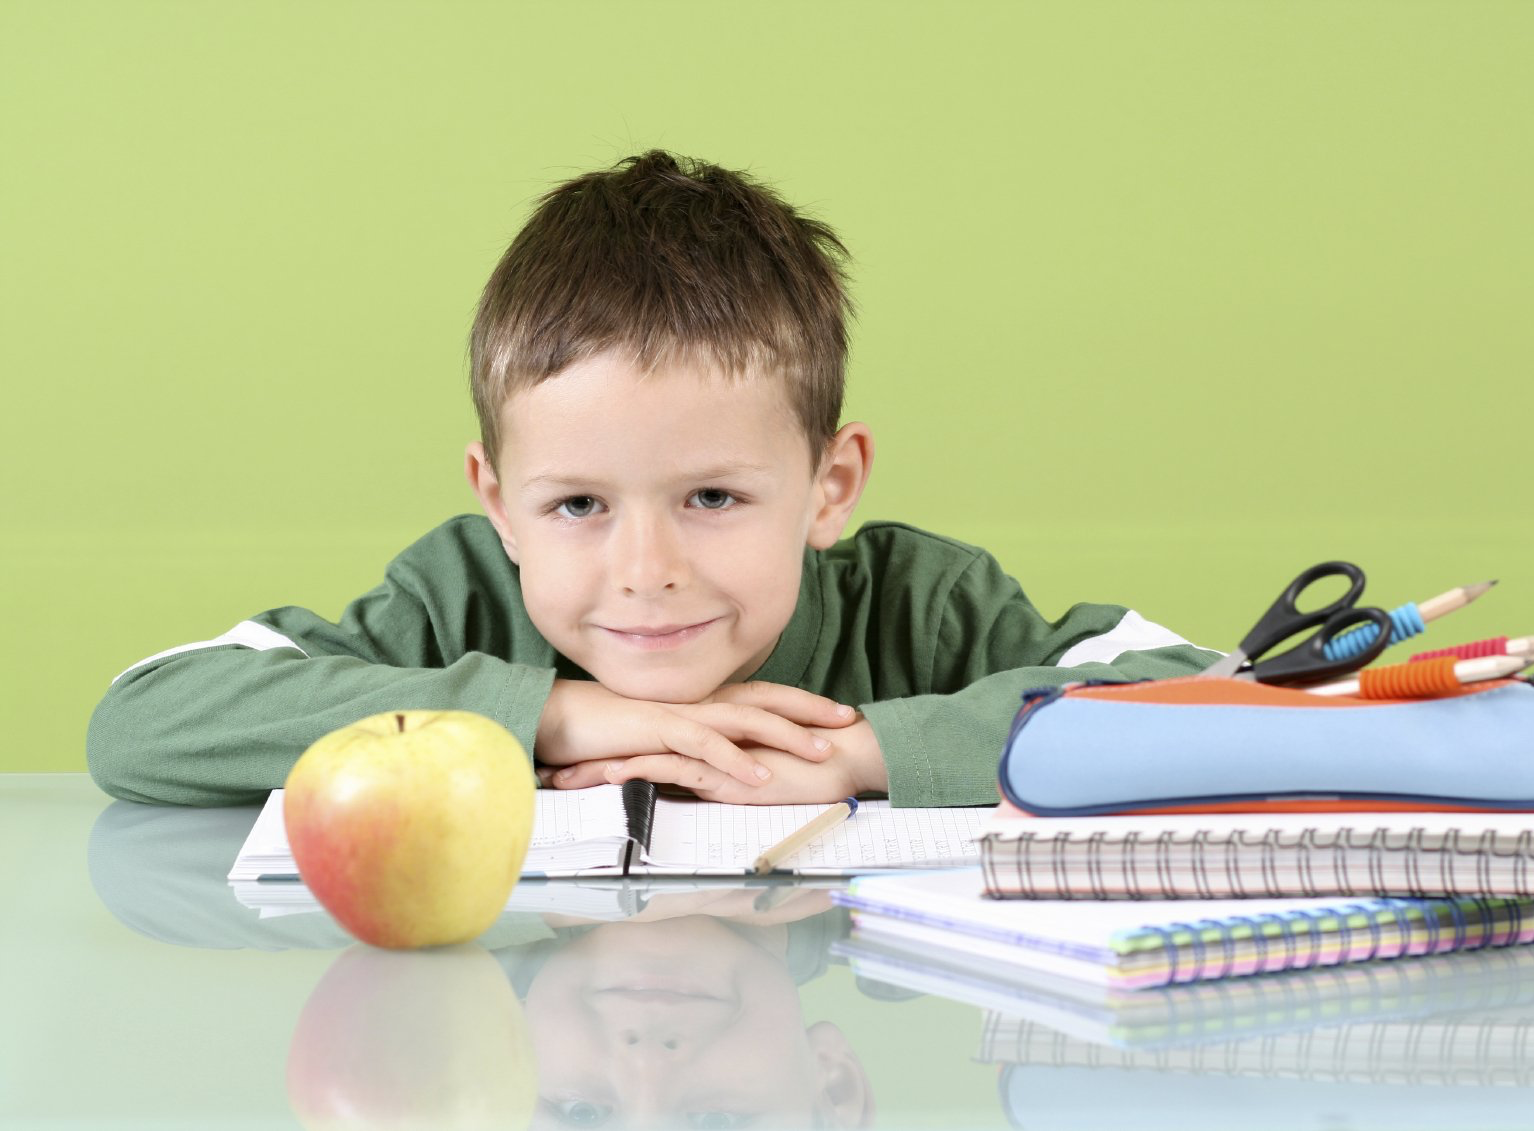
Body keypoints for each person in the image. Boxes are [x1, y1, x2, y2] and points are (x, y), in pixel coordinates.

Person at [86, 149, 1218, 808]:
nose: (645, 573)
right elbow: (144, 720)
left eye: (712, 498)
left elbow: (1217, 694)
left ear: (830, 487)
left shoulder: (923, 608)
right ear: (499, 505)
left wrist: (855, 755)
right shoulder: (459, 598)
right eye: (576, 505)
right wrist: (546, 717)